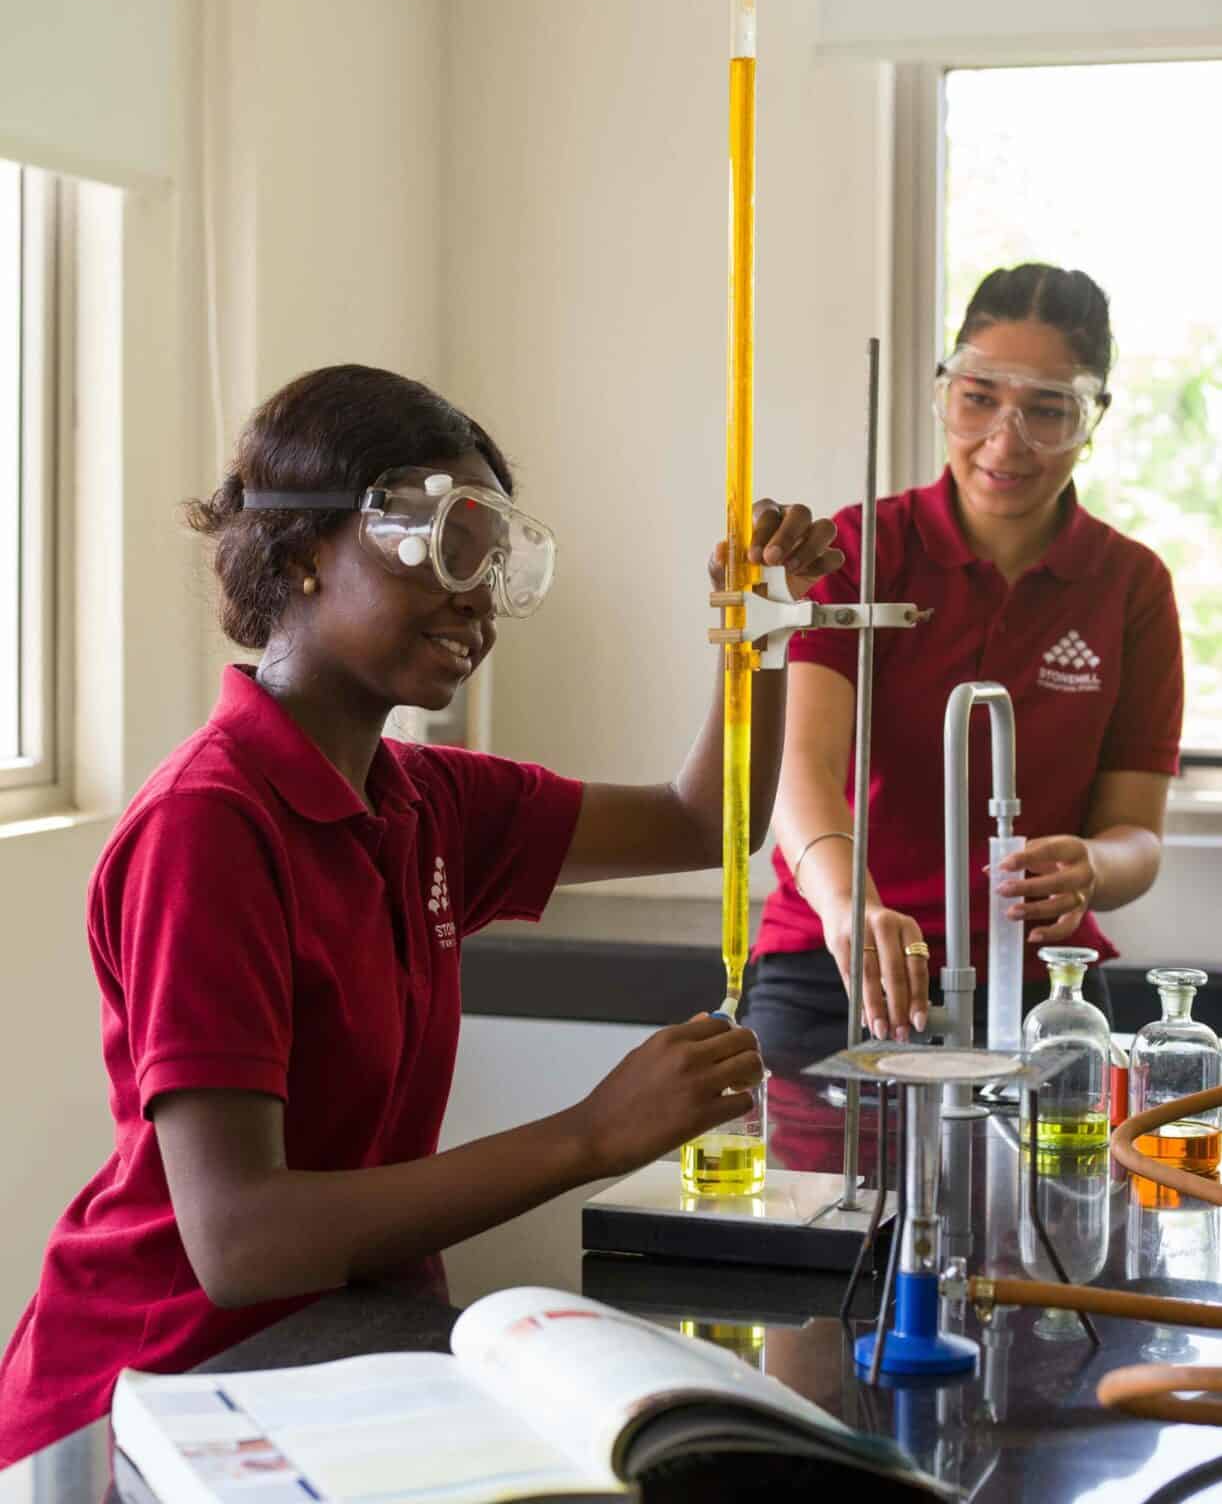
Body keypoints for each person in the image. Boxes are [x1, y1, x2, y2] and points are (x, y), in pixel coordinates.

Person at [0, 364, 843, 1464]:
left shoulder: (422, 801)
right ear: (301, 554)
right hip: (155, 1402)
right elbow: (242, 1244)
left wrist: (762, 627)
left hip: (339, 1361)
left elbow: (704, 821)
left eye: (492, 565)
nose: (476, 600)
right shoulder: (209, 825)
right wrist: (591, 1134)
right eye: (445, 551)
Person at [744, 264, 1183, 1080]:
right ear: (945, 393)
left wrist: (1092, 867)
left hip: (1042, 980)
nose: (1005, 442)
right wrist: (849, 906)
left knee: (1064, 1164)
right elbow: (798, 770)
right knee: (794, 1156)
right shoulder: (858, 551)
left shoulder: (1130, 585)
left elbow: (1138, 834)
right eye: (978, 398)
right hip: (837, 957)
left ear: (1092, 419)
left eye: (1047, 410)